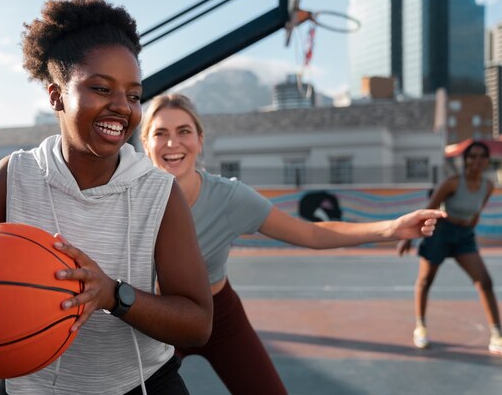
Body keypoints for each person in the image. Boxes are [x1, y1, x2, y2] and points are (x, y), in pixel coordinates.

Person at [0, 0, 213, 395]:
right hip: (31, 386)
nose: (121, 107)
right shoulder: (14, 175)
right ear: (55, 94)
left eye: (132, 94)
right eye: (100, 88)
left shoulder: (158, 192)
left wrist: (113, 294)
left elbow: (198, 323)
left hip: (139, 384)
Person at [138, 93, 448, 394]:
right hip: (162, 317)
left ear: (200, 140)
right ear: (145, 144)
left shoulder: (229, 198)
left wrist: (391, 228)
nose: (172, 143)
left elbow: (310, 233)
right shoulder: (129, 201)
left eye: (184, 131)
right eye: (160, 133)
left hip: (221, 317)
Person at [397, 141, 502, 355]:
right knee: (426, 281)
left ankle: (497, 334)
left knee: (485, 282)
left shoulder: (488, 186)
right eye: (472, 156)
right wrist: (408, 237)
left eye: (482, 156)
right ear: (465, 160)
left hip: (464, 236)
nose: (477, 160)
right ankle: (421, 327)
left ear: (487, 160)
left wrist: (469, 229)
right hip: (441, 232)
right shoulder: (452, 183)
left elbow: (476, 212)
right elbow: (428, 210)